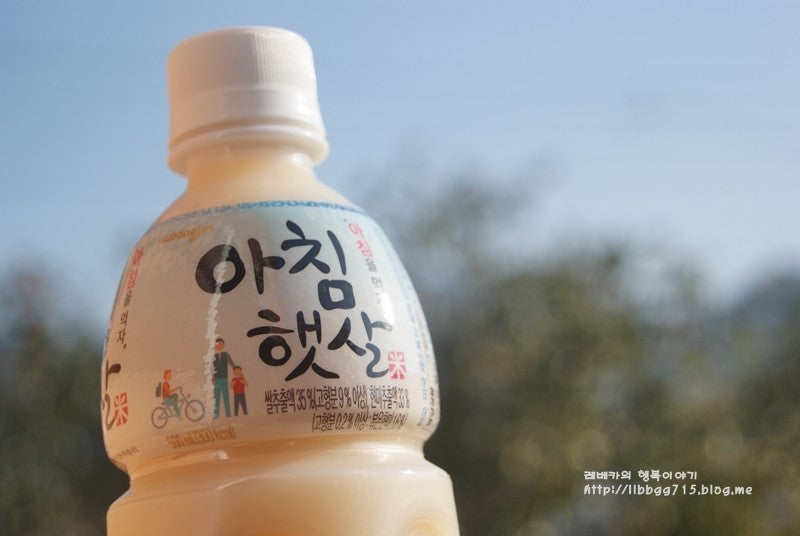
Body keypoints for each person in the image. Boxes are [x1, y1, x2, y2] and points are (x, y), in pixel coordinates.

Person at [212, 338, 236, 418]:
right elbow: (213, 368)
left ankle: (228, 414)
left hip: (224, 379)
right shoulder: (214, 356)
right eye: (218, 345)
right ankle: (216, 415)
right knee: (216, 398)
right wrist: (213, 378)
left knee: (226, 397)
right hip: (216, 380)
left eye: (221, 344)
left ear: (223, 345)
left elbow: (232, 363)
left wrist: (236, 371)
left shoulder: (226, 354)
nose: (219, 346)